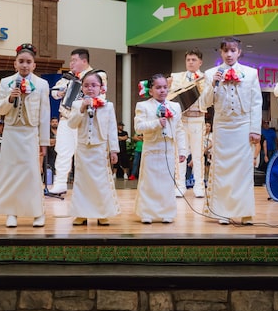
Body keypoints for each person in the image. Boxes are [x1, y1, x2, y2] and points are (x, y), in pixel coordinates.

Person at [198, 37, 262, 225]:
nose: (229, 54)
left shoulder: (250, 73)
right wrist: (213, 85)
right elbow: (204, 103)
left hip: (243, 126)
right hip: (223, 126)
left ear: (239, 52)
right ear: (220, 52)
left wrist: (255, 129)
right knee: (222, 169)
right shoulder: (211, 73)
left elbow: (257, 103)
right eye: (225, 51)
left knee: (243, 170)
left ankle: (245, 212)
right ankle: (222, 212)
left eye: (233, 50)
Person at [0, 43, 50, 228]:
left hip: (30, 133)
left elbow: (45, 114)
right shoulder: (5, 82)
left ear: (34, 65)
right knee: (10, 173)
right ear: (15, 64)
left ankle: (37, 212)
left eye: (28, 62)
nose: (24, 65)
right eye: (21, 61)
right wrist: (9, 98)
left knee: (32, 173)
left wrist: (44, 141)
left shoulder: (41, 84)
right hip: (11, 133)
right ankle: (12, 212)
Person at [67, 70, 121, 226]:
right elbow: (71, 124)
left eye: (93, 85)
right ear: (82, 88)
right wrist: (82, 109)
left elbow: (112, 129)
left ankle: (102, 213)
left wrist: (114, 150)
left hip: (100, 149)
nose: (90, 88)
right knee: (82, 182)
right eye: (86, 86)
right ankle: (81, 213)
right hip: (84, 149)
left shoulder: (108, 106)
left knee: (101, 182)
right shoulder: (77, 104)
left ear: (101, 87)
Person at [134, 74, 188, 224]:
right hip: (151, 148)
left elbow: (179, 129)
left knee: (166, 182)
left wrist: (183, 151)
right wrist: (157, 123)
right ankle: (147, 212)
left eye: (165, 87)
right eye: (158, 87)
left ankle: (167, 212)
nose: (162, 90)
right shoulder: (143, 106)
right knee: (149, 182)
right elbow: (138, 127)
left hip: (168, 149)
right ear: (151, 90)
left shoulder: (175, 106)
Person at [49, 48, 103, 195]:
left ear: (84, 61)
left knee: (83, 153)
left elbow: (101, 97)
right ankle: (60, 183)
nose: (71, 63)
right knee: (62, 151)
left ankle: (83, 185)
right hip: (66, 119)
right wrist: (60, 92)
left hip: (84, 120)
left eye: (74, 60)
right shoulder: (67, 77)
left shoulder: (98, 75)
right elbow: (54, 91)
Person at [169, 48, 207, 198]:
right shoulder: (177, 77)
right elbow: (171, 96)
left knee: (198, 155)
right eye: (188, 60)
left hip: (198, 118)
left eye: (194, 60)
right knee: (180, 153)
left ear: (200, 62)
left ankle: (199, 185)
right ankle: (180, 185)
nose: (190, 62)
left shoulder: (206, 78)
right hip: (182, 119)